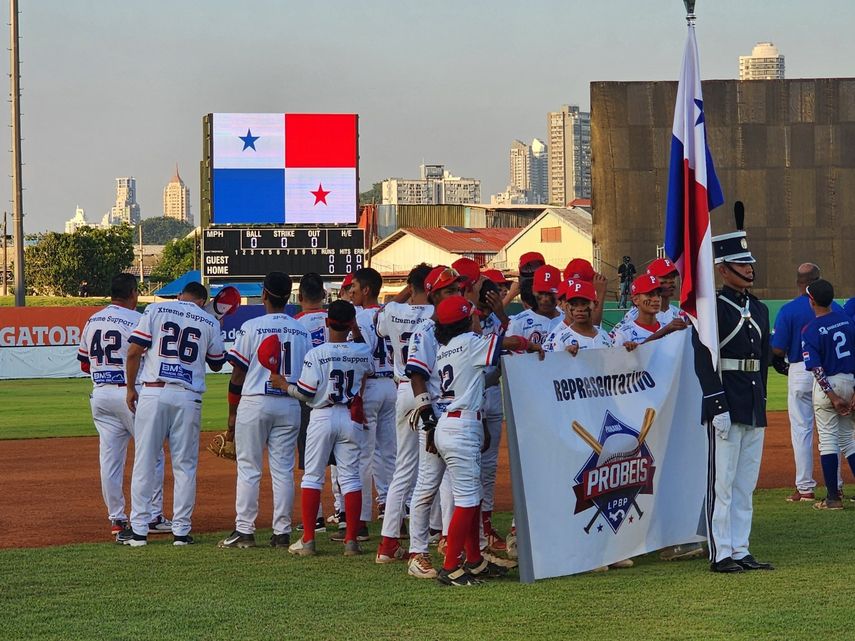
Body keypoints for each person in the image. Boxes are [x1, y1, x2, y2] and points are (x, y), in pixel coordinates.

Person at [120, 281, 226, 546]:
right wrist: (212, 320)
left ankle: (140, 531)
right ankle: (181, 532)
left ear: (181, 295)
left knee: (144, 460)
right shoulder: (209, 321)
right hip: (188, 396)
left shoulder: (156, 311)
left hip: (154, 392)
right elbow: (216, 363)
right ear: (202, 300)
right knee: (185, 465)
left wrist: (130, 388)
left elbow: (134, 351)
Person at [218, 272, 311, 549]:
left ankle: (244, 531)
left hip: (255, 401)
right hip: (289, 403)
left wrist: (232, 413)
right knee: (283, 470)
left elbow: (237, 374)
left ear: (265, 295)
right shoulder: (301, 330)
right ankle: (281, 533)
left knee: (249, 468)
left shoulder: (252, 326)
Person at [273, 300, 374, 557]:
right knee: (351, 477)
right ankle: (351, 540)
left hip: (322, 415)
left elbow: (306, 393)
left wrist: (284, 386)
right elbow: (365, 352)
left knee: (312, 477)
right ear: (351, 323)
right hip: (350, 417)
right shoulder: (361, 351)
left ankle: (308, 540)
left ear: (327, 322)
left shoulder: (316, 353)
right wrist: (355, 328)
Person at [703, 220, 774, 572]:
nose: (749, 269)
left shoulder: (759, 309)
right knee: (723, 484)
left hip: (751, 404)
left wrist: (760, 402)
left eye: (750, 263)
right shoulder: (714, 308)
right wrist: (716, 404)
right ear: (723, 268)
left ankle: (742, 548)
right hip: (726, 402)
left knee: (745, 484)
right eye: (742, 264)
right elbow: (704, 360)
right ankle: (721, 552)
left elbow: (760, 361)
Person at [77, 273, 170, 539]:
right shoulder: (137, 319)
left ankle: (117, 518)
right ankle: (152, 516)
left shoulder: (93, 320)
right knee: (151, 454)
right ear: (133, 293)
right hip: (132, 393)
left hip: (101, 394)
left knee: (110, 460)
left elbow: (84, 363)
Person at [430, 295, 510, 585]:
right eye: (473, 316)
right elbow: (505, 344)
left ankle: (474, 560)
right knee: (466, 500)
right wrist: (527, 344)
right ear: (466, 321)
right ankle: (451, 566)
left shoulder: (446, 348)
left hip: (457, 424)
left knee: (471, 497)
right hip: (461, 427)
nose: (477, 319)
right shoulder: (468, 343)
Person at [374, 263, 435, 564]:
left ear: (411, 286)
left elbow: (380, 322)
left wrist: (406, 291)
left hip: (402, 390)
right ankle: (439, 536)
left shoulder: (393, 311)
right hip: (429, 390)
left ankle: (387, 544)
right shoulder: (437, 314)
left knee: (403, 469)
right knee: (435, 467)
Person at [772, 263, 844, 502]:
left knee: (801, 431)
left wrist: (779, 363)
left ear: (798, 283)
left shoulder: (788, 310)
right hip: (831, 372)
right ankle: (837, 486)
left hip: (800, 371)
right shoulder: (835, 308)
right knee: (832, 431)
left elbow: (778, 348)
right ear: (818, 280)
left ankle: (805, 488)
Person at [340, 267, 396, 541]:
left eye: (354, 287)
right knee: (391, 454)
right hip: (392, 386)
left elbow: (361, 357)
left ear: (366, 290)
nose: (350, 291)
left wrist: (357, 396)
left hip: (371, 387)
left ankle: (360, 521)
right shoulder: (389, 313)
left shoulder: (361, 316)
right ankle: (394, 513)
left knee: (363, 455)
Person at [800, 279, 855, 511]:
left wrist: (832, 396)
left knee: (828, 441)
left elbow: (816, 368)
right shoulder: (848, 322)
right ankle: (834, 497)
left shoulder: (810, 329)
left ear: (812, 300)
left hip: (828, 386)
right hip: (850, 381)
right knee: (849, 439)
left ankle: (833, 498)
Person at [293, 273, 334, 533]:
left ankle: (316, 518)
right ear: (324, 295)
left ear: (299, 297)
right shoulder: (337, 319)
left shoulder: (294, 323)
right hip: (341, 392)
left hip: (308, 396)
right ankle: (342, 513)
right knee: (344, 460)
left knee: (311, 460)